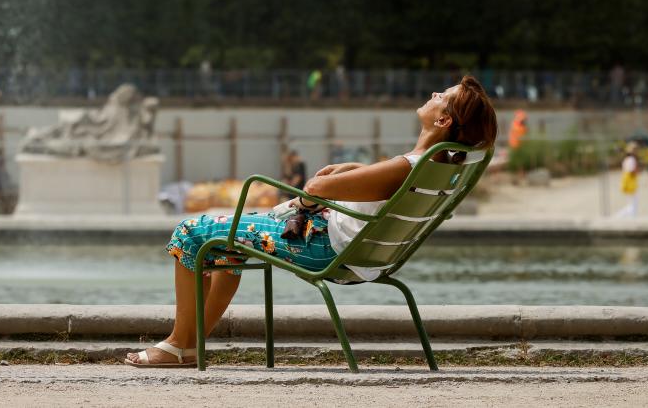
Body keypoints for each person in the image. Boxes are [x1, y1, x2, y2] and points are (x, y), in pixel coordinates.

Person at [124, 75, 498, 367]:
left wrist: (324, 186)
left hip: (321, 248)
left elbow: (315, 188)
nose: (433, 95)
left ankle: (176, 344)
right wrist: (356, 171)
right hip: (352, 250)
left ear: (444, 118)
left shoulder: (408, 167)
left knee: (190, 231)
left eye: (441, 97)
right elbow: (378, 185)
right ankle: (190, 347)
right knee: (225, 244)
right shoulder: (428, 167)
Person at [615, 143, 640, 218]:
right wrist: (636, 170)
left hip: (629, 184)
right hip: (630, 184)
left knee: (632, 204)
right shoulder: (631, 160)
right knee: (632, 205)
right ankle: (619, 216)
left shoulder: (627, 159)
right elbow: (632, 172)